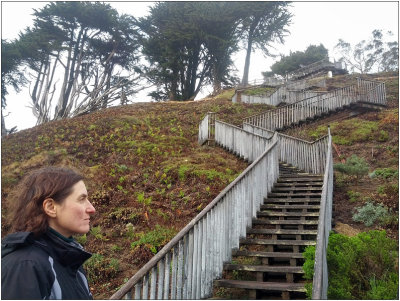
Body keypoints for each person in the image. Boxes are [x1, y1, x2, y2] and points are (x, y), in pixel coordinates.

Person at [1, 166, 96, 299]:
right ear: (51, 207)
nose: (92, 208)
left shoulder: (69, 258)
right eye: (81, 199)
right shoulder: (25, 266)